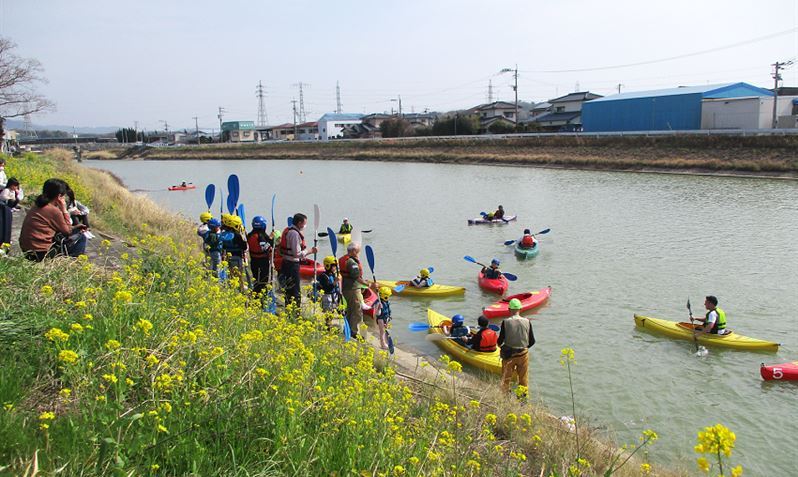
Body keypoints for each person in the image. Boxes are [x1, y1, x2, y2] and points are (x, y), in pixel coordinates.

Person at [19, 178, 87, 261]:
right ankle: (73, 263)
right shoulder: (54, 211)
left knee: (74, 232)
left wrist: (75, 227)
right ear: (59, 196)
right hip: (41, 253)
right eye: (63, 196)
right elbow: (67, 232)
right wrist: (64, 209)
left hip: (27, 250)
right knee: (81, 237)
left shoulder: (37, 206)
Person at [278, 212, 317, 309]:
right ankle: (295, 312)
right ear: (299, 223)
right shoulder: (294, 234)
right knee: (295, 291)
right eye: (304, 223)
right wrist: (310, 251)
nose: (305, 226)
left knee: (289, 290)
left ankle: (289, 310)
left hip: (286, 263)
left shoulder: (287, 230)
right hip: (292, 265)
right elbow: (297, 253)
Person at [497, 298, 535, 395]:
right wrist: (523, 347)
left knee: (506, 378)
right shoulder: (527, 321)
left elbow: (500, 340)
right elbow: (532, 341)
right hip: (523, 354)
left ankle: (505, 397)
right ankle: (522, 399)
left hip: (509, 355)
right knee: (523, 378)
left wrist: (500, 346)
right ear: (520, 309)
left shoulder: (505, 322)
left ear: (509, 310)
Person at [339, 242, 371, 338]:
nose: (358, 254)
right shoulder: (351, 262)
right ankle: (353, 332)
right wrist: (368, 284)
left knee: (350, 310)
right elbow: (357, 277)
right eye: (357, 252)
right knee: (357, 311)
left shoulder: (343, 259)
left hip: (346, 288)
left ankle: (347, 329)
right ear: (353, 251)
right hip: (352, 289)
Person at [247, 215, 274, 297]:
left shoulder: (250, 235)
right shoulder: (260, 236)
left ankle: (256, 295)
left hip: (253, 261)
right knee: (263, 281)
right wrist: (271, 239)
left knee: (256, 280)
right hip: (262, 262)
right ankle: (261, 298)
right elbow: (266, 248)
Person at [220, 213, 248, 291]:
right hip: (237, 257)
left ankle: (231, 289)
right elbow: (244, 247)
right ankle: (239, 291)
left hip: (227, 257)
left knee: (230, 275)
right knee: (238, 276)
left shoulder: (223, 234)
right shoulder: (237, 235)